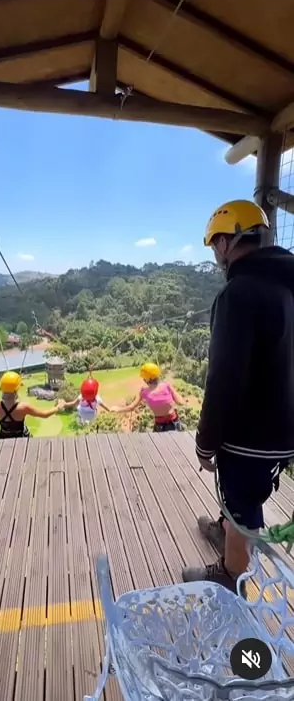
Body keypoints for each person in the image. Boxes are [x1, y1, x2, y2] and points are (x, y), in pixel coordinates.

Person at [182, 199, 294, 596]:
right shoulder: (288, 286)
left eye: (215, 244)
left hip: (249, 435)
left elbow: (224, 378)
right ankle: (227, 527)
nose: (215, 254)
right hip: (285, 430)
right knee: (243, 497)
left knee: (242, 505)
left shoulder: (239, 293)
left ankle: (230, 579)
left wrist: (205, 442)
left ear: (228, 242)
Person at [111, 362, 184, 432]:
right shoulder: (167, 386)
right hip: (174, 423)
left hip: (159, 426)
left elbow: (131, 407)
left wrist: (118, 409)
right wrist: (172, 390)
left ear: (147, 379)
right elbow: (181, 402)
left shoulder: (144, 392)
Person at [0, 370, 65, 439]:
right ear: (17, 388)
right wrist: (58, 407)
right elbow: (44, 414)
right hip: (20, 440)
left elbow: (8, 408)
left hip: (2, 440)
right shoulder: (23, 407)